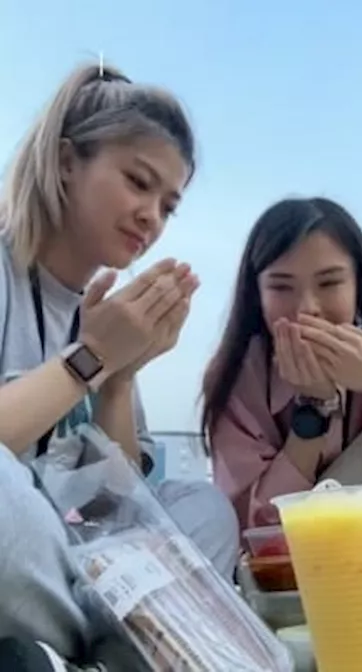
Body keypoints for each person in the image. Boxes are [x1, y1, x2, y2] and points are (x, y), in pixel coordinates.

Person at [0, 64, 240, 671]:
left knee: (202, 508)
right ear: (64, 162)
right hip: (25, 561)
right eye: (138, 182)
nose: (151, 216)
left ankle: (104, 654)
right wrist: (91, 359)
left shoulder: (103, 311)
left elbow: (120, 506)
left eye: (168, 205)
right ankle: (125, 649)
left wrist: (122, 378)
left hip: (81, 568)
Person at [202, 198, 362, 586]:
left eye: (329, 283)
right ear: (257, 293)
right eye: (281, 287)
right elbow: (257, 532)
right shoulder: (238, 376)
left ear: (359, 284)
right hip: (293, 561)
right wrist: (314, 413)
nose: (308, 309)